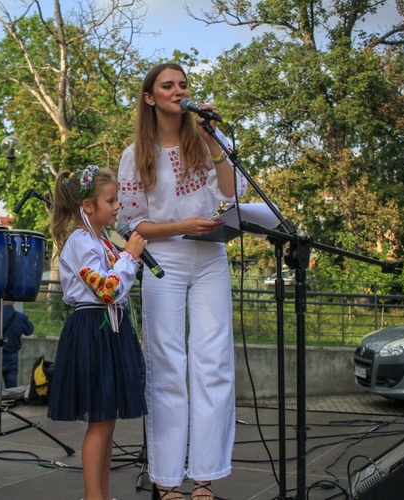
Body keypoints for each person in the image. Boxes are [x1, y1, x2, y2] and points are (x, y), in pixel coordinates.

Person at [117, 62, 249, 500]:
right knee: (167, 366)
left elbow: (232, 196)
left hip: (211, 256)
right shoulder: (136, 153)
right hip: (165, 260)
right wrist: (181, 226)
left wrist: (213, 141)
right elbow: (130, 224)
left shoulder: (211, 141)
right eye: (167, 85)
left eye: (183, 84)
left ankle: (206, 476)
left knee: (213, 364)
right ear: (150, 97)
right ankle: (168, 479)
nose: (179, 91)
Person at [47, 165, 148, 500]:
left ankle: (101, 495)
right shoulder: (80, 242)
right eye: (111, 200)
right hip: (93, 329)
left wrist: (126, 255)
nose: (118, 205)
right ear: (88, 207)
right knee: (100, 421)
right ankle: (94, 497)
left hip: (108, 331)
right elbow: (106, 290)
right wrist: (129, 259)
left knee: (107, 422)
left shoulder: (103, 240)